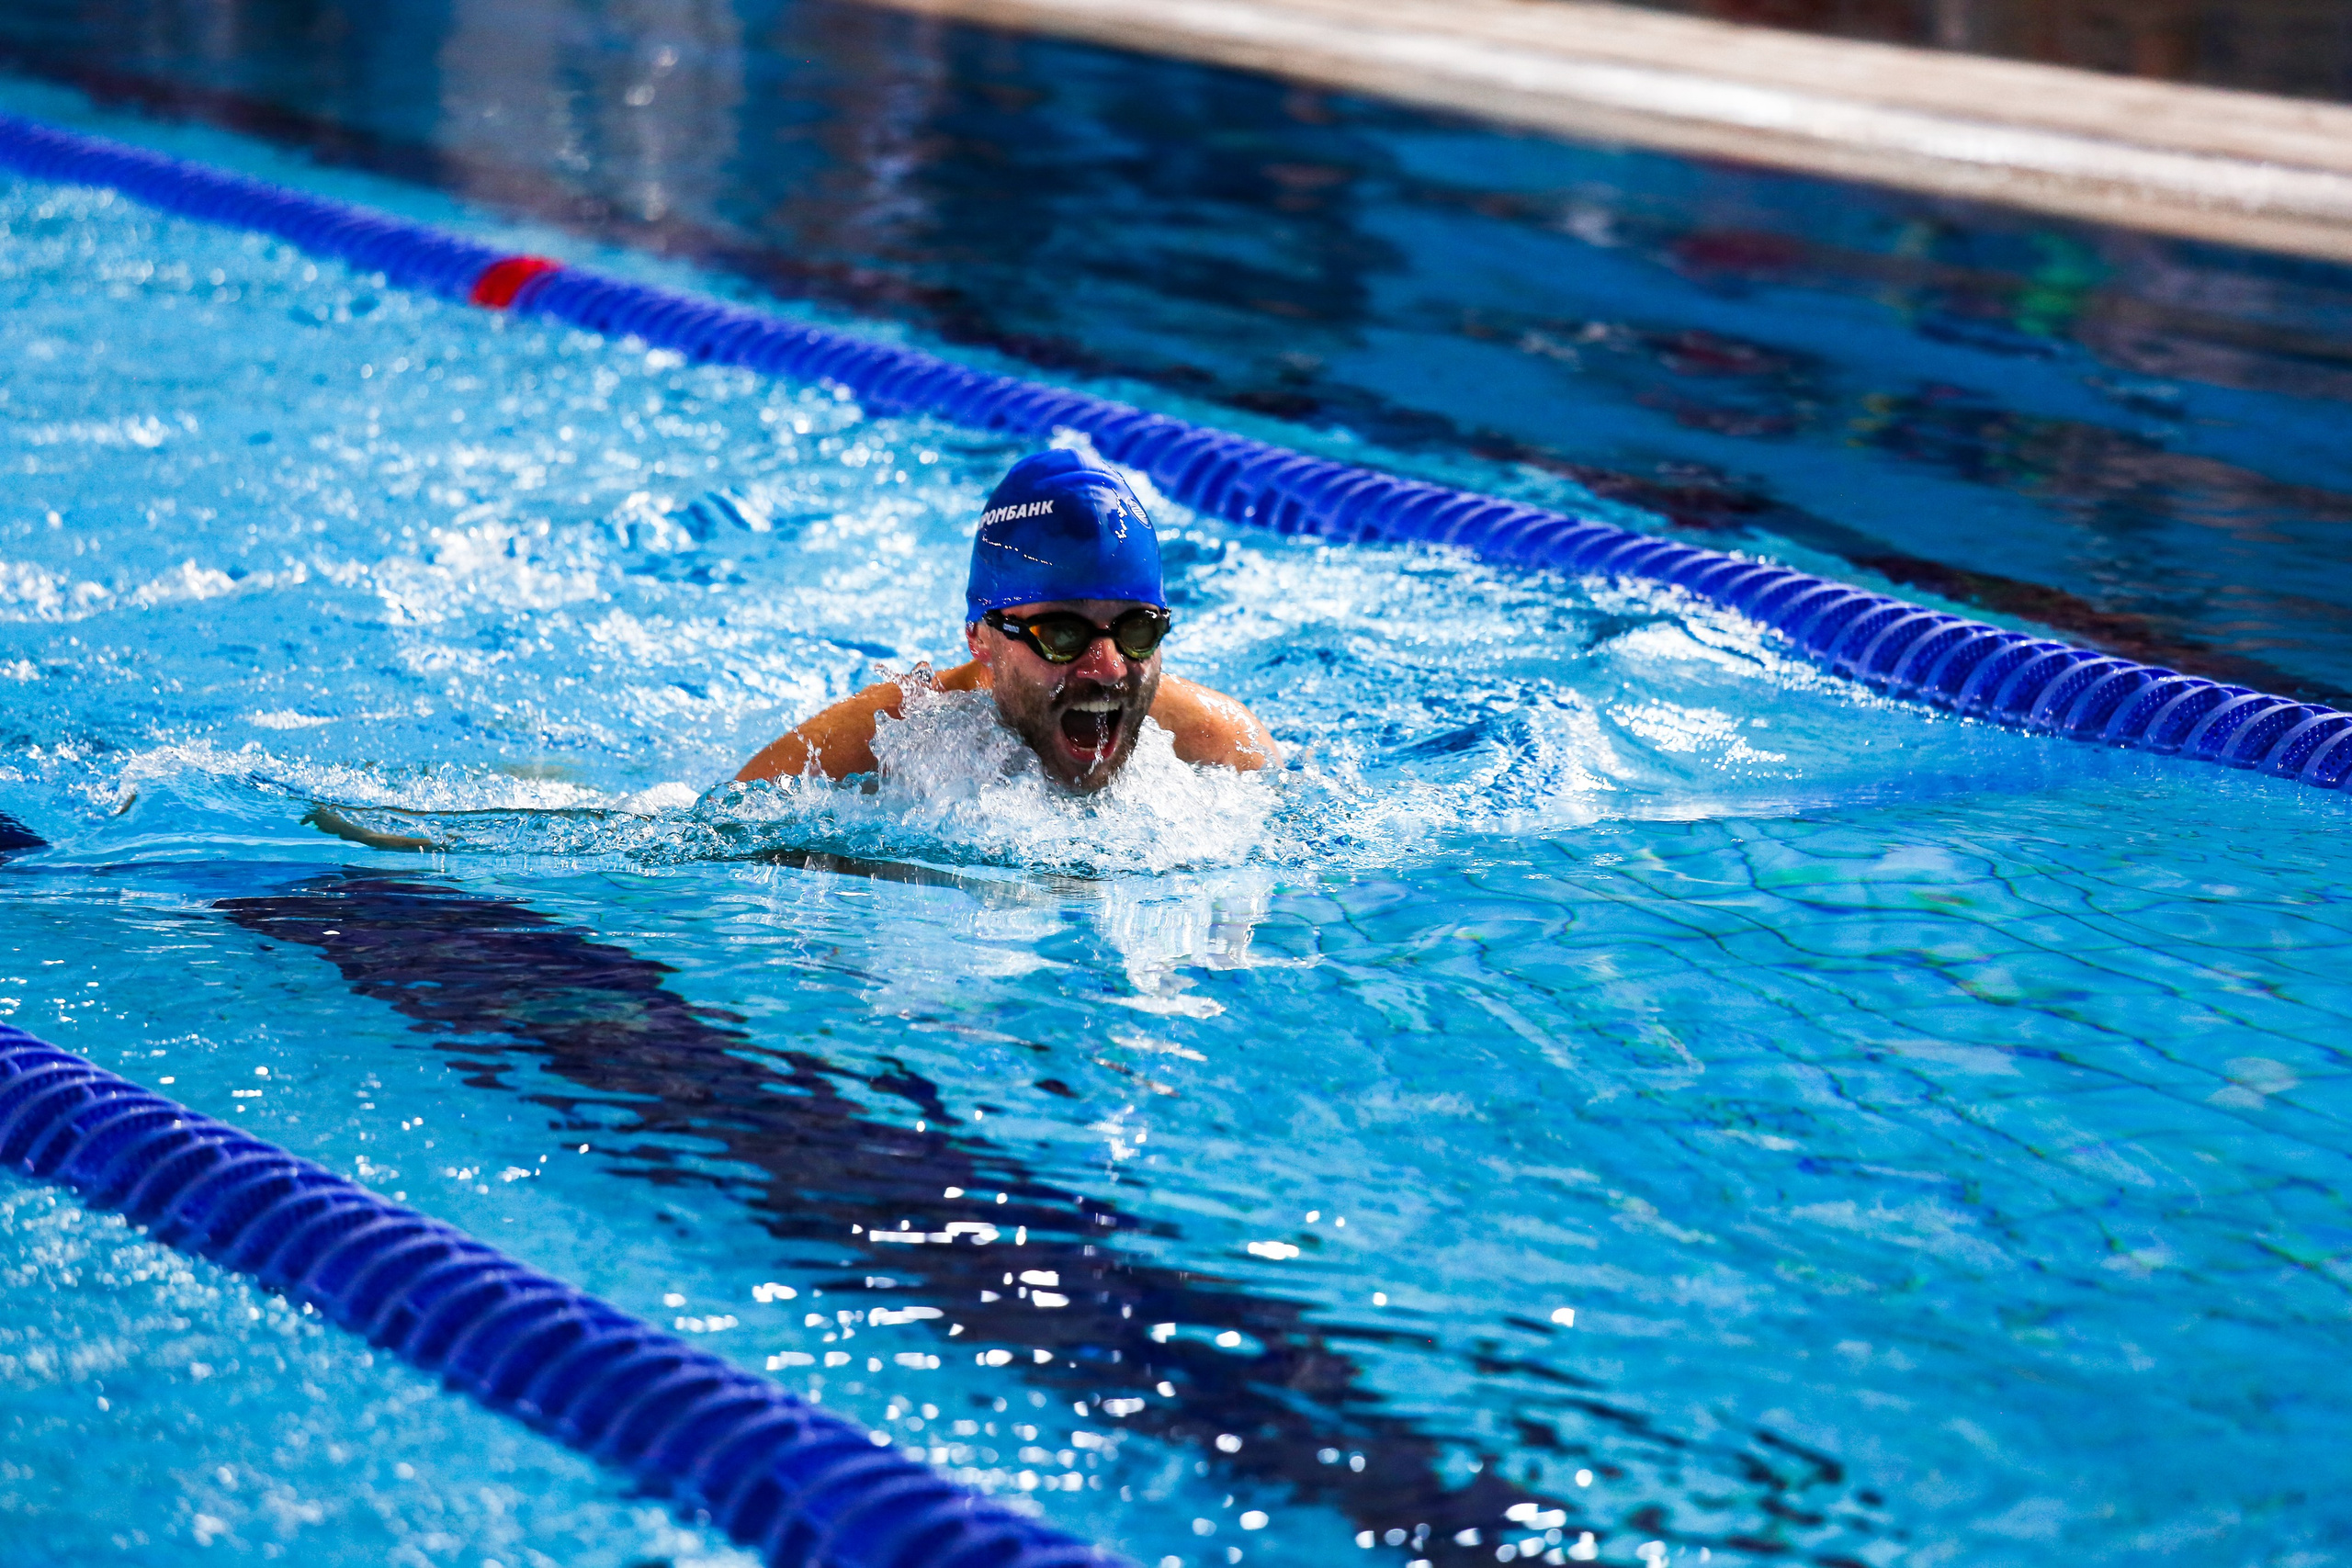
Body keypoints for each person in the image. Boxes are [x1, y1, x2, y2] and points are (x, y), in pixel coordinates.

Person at [736, 449, 1279, 794]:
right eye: (1062, 634)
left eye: (1136, 630)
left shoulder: (1223, 747)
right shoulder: (865, 749)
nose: (1110, 669)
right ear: (980, 638)